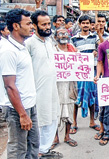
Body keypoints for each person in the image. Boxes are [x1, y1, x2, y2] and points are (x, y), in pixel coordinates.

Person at [0, 9, 39, 159]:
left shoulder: (21, 46)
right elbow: (9, 85)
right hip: (17, 109)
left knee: (33, 145)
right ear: (16, 26)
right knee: (18, 150)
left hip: (30, 104)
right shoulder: (8, 51)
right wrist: (22, 114)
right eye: (28, 23)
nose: (32, 27)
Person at [25, 10, 62, 158]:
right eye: (43, 24)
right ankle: (36, 152)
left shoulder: (49, 41)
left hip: (52, 89)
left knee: (52, 118)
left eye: (48, 24)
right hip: (37, 92)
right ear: (35, 25)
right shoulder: (29, 44)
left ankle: (44, 150)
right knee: (39, 122)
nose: (47, 27)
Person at [70, 15, 100, 134]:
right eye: (83, 23)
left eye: (87, 23)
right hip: (79, 71)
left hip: (91, 70)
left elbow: (102, 46)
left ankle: (92, 121)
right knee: (76, 97)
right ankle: (74, 122)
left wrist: (100, 34)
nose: (86, 25)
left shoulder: (95, 37)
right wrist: (78, 53)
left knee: (92, 95)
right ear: (80, 24)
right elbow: (71, 53)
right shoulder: (74, 39)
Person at [51, 27, 78, 149]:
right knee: (55, 112)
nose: (63, 36)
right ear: (56, 37)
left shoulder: (72, 50)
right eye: (60, 34)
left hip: (70, 85)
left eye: (65, 34)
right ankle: (55, 138)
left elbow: (80, 65)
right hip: (56, 85)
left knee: (69, 110)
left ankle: (67, 136)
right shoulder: (52, 50)